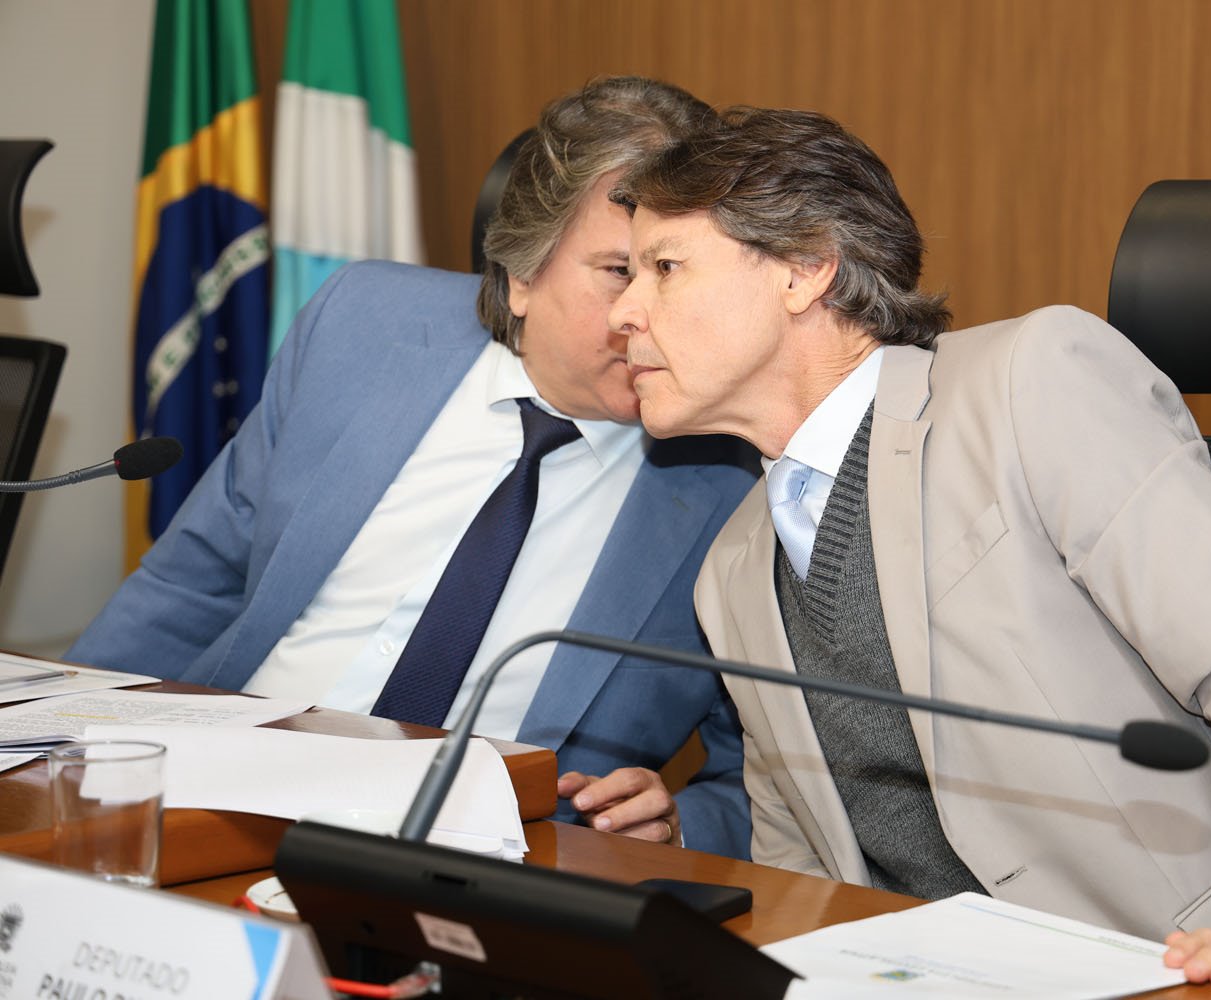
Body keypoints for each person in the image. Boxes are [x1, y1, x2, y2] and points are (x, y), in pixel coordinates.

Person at [605, 106, 1211, 984]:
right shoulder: (732, 568)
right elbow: (799, 862)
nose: (622, 312)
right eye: (625, 274)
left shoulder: (1027, 383)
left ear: (806, 269)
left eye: (664, 268)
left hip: (1177, 969)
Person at [67, 77, 756, 858]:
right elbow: (196, 580)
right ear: (523, 274)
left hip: (483, 864)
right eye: (620, 272)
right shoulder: (364, 323)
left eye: (676, 274)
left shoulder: (742, 472)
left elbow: (774, 782)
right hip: (221, 799)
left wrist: (680, 824)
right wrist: (50, 746)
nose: (651, 317)